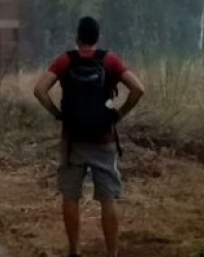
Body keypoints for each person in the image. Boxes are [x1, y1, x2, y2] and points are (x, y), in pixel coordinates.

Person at [33, 17, 145, 257]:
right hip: (103, 139)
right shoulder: (110, 60)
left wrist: (57, 114)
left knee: (70, 196)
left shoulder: (65, 60)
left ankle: (74, 250)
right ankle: (111, 253)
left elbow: (39, 90)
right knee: (108, 198)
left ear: (78, 37)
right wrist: (119, 114)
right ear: (97, 37)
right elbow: (138, 89)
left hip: (72, 140)